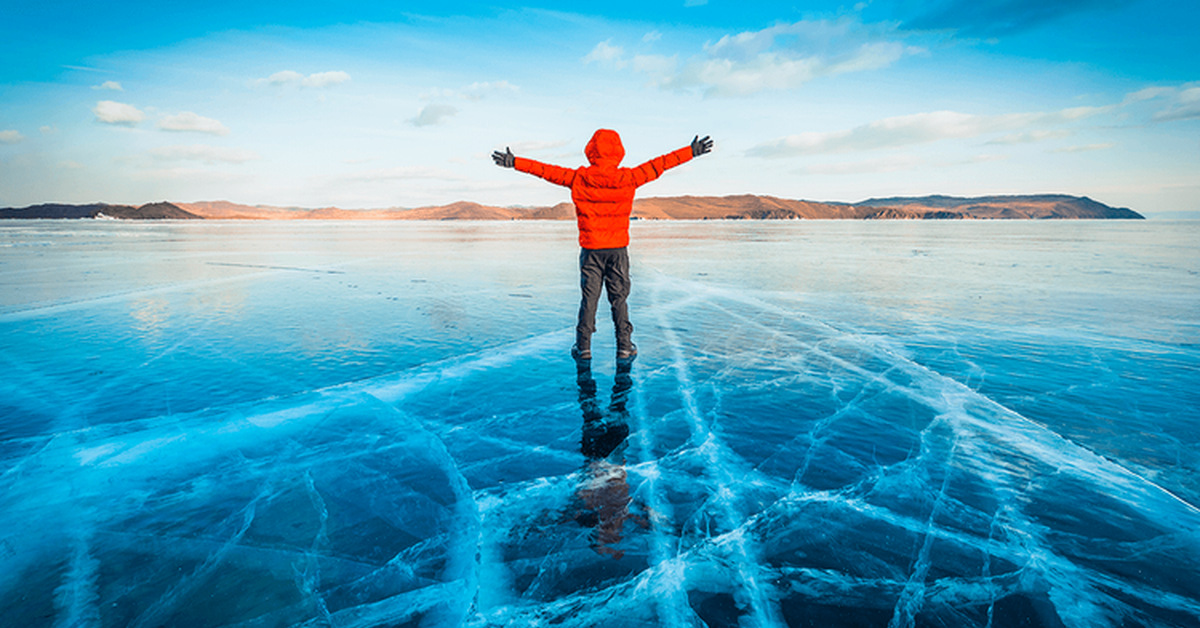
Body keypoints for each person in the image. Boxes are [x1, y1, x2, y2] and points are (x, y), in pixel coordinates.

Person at [492, 129, 713, 361]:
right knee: (619, 299)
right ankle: (625, 346)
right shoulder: (629, 177)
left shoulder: (578, 177)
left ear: (591, 151)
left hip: (591, 251)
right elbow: (660, 165)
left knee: (589, 298)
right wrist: (690, 152)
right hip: (617, 251)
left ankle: (583, 346)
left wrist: (515, 162)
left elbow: (546, 171)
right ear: (618, 152)